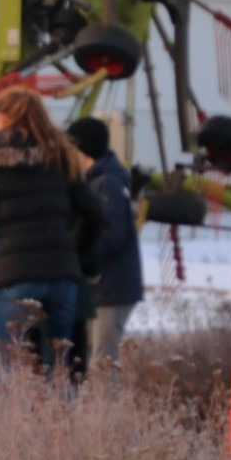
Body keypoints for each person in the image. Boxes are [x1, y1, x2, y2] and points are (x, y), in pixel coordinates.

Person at [0, 88, 102, 375]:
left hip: (15, 276)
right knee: (59, 369)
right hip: (62, 277)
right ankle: (61, 418)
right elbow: (95, 214)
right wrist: (75, 255)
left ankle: (14, 419)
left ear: (2, 118)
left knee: (8, 368)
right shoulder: (61, 158)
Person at [67, 116, 143, 369]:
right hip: (104, 286)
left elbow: (112, 236)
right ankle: (97, 407)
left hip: (112, 287)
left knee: (102, 360)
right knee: (93, 357)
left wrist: (78, 252)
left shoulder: (106, 184)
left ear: (82, 150)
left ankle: (106, 407)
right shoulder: (100, 181)